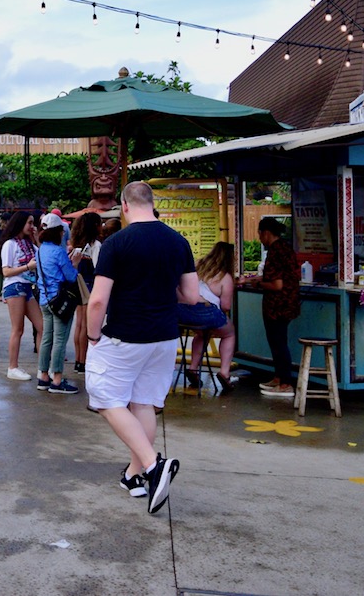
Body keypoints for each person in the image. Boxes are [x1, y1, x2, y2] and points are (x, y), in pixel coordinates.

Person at [84, 181, 198, 514]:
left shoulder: (116, 243)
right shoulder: (178, 241)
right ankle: (135, 475)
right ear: (151, 202)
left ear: (125, 205)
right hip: (164, 337)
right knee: (144, 404)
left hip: (124, 336)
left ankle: (153, 464)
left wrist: (93, 337)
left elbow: (98, 300)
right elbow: (190, 296)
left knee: (105, 398)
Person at [241, 217, 300, 396]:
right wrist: (259, 279)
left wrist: (257, 284)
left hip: (277, 306)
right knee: (277, 342)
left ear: (266, 232)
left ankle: (285, 383)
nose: (259, 238)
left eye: (259, 233)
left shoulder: (275, 252)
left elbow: (276, 285)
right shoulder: (285, 248)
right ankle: (278, 377)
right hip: (288, 303)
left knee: (278, 343)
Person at [178, 241, 238, 394]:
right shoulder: (225, 277)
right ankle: (225, 372)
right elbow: (226, 306)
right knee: (229, 333)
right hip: (206, 311)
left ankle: (193, 368)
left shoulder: (197, 266)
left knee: (202, 333)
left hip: (182, 311)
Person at [36, 213, 85, 394]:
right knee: (59, 340)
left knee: (47, 338)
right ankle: (57, 380)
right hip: (60, 301)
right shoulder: (58, 251)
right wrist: (75, 263)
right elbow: (71, 276)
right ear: (58, 232)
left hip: (45, 299)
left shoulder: (40, 250)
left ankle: (43, 376)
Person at [0, 211, 42, 380]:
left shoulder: (30, 244)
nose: (32, 226)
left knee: (42, 327)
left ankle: (43, 367)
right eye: (30, 223)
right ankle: (13, 367)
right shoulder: (10, 244)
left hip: (28, 287)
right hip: (15, 287)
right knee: (18, 329)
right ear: (20, 223)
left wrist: (36, 238)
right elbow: (6, 271)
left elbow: (42, 256)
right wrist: (27, 267)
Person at [69, 212, 103, 372]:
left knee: (79, 325)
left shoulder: (76, 244)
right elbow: (98, 268)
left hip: (77, 284)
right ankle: (84, 361)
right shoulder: (95, 245)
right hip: (89, 286)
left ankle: (78, 360)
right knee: (86, 327)